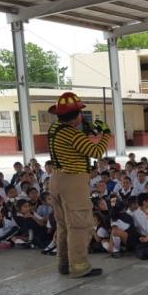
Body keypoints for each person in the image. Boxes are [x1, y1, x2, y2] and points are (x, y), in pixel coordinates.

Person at [47, 92, 111, 277]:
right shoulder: (73, 134)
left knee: (64, 226)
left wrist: (87, 130)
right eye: (81, 113)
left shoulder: (55, 129)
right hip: (73, 181)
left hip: (56, 180)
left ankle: (64, 264)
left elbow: (75, 145)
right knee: (80, 226)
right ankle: (79, 266)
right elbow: (97, 151)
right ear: (75, 115)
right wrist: (105, 134)